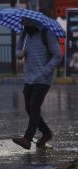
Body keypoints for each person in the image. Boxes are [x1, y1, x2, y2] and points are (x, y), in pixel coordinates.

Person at [12, 17, 62, 150]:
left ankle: (27, 139)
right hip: (29, 77)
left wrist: (45, 71)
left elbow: (57, 55)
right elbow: (17, 52)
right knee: (28, 108)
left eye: (26, 23)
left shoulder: (47, 34)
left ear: (34, 22)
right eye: (22, 23)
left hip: (43, 79)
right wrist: (19, 54)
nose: (24, 26)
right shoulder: (25, 34)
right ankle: (46, 133)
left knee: (34, 107)